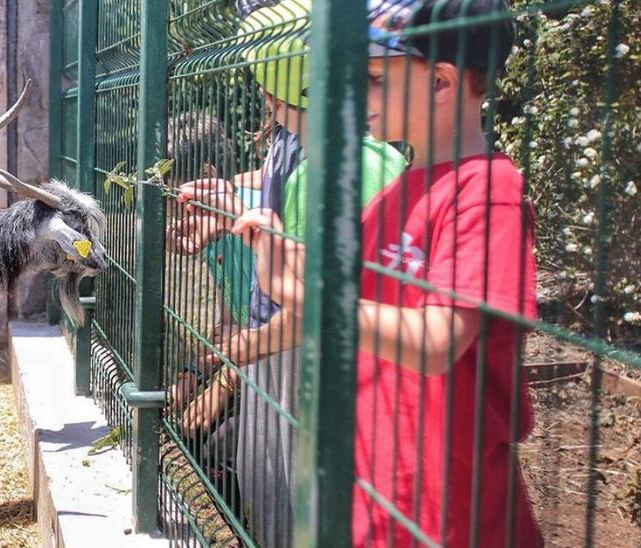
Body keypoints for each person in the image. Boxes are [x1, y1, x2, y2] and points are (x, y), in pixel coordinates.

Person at [228, 0, 543, 545]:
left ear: (441, 83)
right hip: (374, 502)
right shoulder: (392, 196)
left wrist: (298, 290)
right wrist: (281, 248)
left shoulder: (488, 194)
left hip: (451, 520)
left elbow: (436, 342)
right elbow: (353, 295)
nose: (355, 93)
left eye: (374, 78)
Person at [166, 1, 410, 545]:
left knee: (288, 501)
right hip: (281, 356)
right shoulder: (302, 149)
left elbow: (308, 306)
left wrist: (234, 360)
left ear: (274, 91)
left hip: (306, 366)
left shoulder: (329, 166)